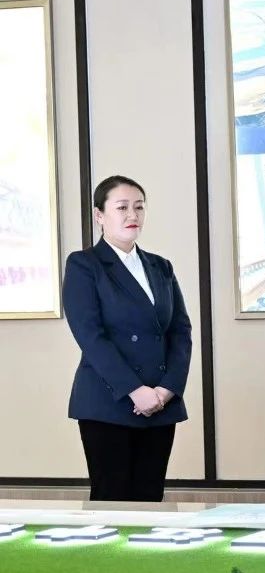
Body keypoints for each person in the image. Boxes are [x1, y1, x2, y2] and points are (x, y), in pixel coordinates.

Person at [63, 175, 192, 501]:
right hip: (109, 401)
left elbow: (180, 332)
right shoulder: (85, 265)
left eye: (139, 207)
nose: (132, 215)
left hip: (160, 403)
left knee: (150, 497)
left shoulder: (161, 267)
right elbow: (91, 337)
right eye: (122, 207)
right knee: (113, 500)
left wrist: (166, 389)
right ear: (99, 215)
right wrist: (136, 391)